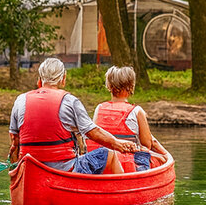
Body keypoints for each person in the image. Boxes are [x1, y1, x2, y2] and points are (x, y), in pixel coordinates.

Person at [8, 57, 139, 175]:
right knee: (108, 154)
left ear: (40, 80)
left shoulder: (20, 100)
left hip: (29, 169)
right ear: (63, 79)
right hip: (64, 170)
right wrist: (117, 144)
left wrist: (15, 171)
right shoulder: (70, 101)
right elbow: (93, 133)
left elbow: (14, 143)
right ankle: (122, 193)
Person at [89, 66, 171, 172]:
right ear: (131, 87)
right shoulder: (137, 111)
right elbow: (147, 144)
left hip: (103, 161)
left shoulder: (99, 108)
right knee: (156, 158)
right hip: (128, 164)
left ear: (108, 86)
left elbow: (96, 136)